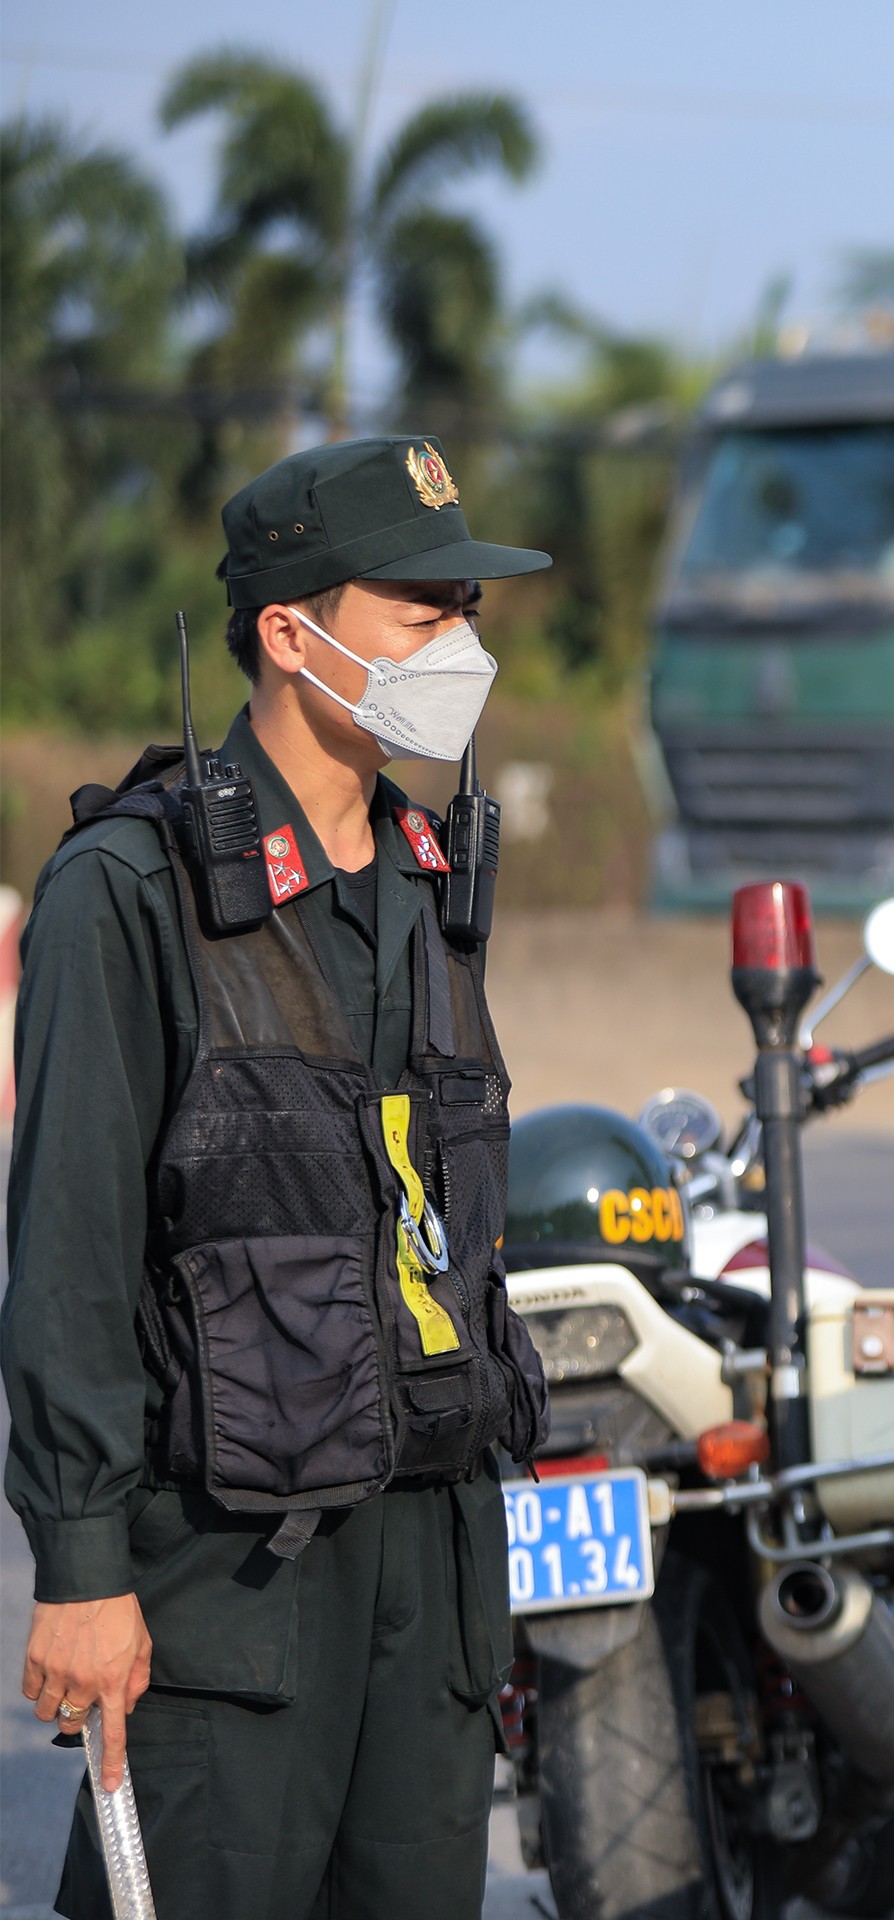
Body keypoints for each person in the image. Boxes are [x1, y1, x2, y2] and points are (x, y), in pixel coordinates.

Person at [4, 436, 553, 1919]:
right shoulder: (129, 890)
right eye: (421, 610)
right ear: (289, 631)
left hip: (428, 1576)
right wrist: (78, 1562)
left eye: (468, 614)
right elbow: (69, 1251)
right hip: (229, 1585)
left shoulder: (433, 883)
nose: (460, 646)